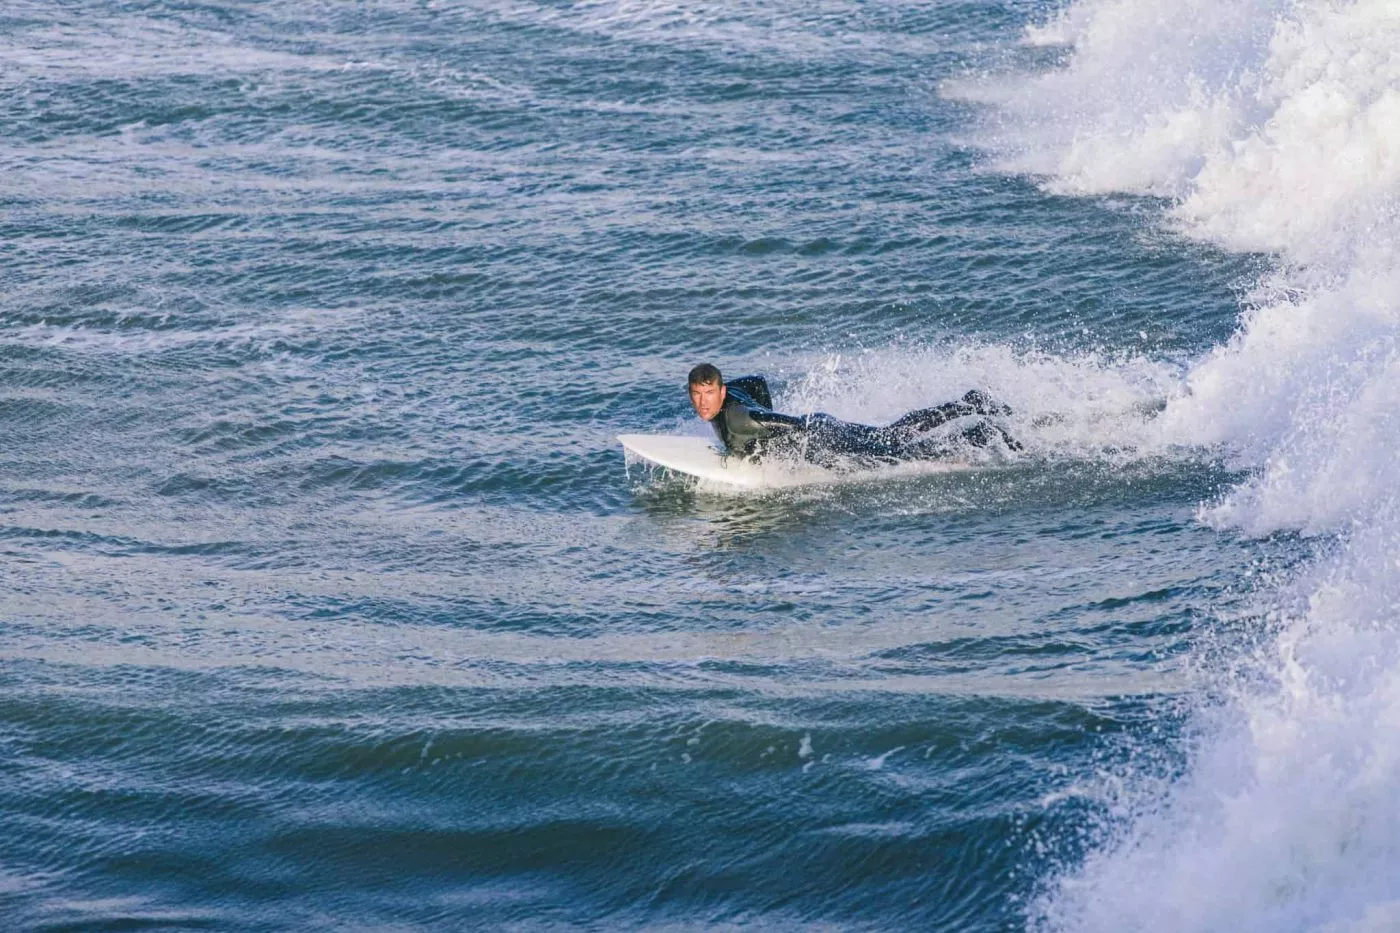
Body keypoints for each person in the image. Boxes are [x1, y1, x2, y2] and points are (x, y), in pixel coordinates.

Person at [686, 362, 1019, 467]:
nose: (703, 403)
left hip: (826, 436)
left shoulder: (736, 419)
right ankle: (968, 404)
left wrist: (774, 442)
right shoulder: (734, 391)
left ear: (721, 391)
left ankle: (977, 435)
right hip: (824, 423)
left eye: (709, 394)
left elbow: (789, 425)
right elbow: (757, 382)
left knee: (898, 451)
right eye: (697, 395)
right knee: (895, 433)